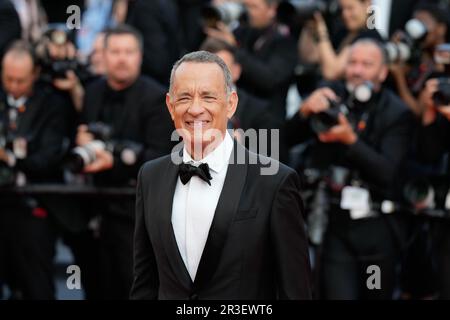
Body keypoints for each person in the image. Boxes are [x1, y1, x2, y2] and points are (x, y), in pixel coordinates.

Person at [130, 51, 312, 300]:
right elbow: (145, 283)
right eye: (184, 97)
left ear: (231, 104)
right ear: (170, 106)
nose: (195, 109)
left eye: (208, 97)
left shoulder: (273, 182)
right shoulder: (150, 176)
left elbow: (296, 292)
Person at [286, 39, 413, 299]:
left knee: (374, 294)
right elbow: (283, 139)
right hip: (336, 227)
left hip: (377, 230)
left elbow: (387, 172)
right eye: (352, 62)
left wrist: (350, 141)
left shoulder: (396, 112)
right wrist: (305, 110)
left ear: (383, 72)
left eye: (367, 64)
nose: (357, 70)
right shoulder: (331, 94)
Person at [75, 24, 174, 299]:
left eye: (129, 52)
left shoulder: (157, 98)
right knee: (97, 288)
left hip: (137, 216)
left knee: (134, 289)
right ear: (103, 56)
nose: (122, 58)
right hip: (94, 210)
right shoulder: (92, 92)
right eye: (115, 51)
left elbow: (162, 157)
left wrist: (116, 161)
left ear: (140, 56)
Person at [0, 41, 69, 299]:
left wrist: (9, 157)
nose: (15, 86)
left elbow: (49, 158)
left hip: (34, 206)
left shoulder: (52, 103)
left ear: (35, 75)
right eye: (9, 79)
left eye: (21, 80)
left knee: (36, 285)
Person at [205, 0, 298, 121]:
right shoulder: (243, 32)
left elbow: (269, 79)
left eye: (254, 7)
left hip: (268, 121)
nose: (249, 12)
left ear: (272, 10)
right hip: (239, 116)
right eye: (246, 6)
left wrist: (234, 48)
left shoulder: (284, 42)